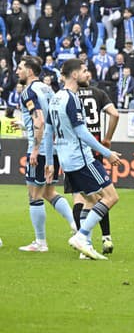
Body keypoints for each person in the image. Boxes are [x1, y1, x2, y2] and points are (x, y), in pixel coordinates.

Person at [44, 59, 122, 260]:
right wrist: (107, 153)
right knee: (111, 197)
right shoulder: (71, 98)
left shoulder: (55, 98)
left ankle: (85, 247)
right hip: (82, 158)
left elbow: (48, 132)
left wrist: (50, 163)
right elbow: (82, 133)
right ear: (75, 74)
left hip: (66, 160)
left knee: (89, 199)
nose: (88, 74)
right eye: (85, 71)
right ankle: (82, 236)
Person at [17, 55, 77, 252]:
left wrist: (35, 149)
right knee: (49, 192)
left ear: (30, 71)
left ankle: (40, 242)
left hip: (41, 149)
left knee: (34, 195)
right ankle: (75, 225)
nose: (17, 71)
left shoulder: (28, 92)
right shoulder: (47, 88)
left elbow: (39, 120)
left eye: (20, 68)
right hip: (55, 147)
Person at [67, 65, 120, 256]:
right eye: (84, 71)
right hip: (92, 151)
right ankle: (100, 237)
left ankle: (84, 243)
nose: (86, 74)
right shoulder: (98, 94)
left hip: (72, 152)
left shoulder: (68, 97)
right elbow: (114, 114)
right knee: (103, 196)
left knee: (82, 198)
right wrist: (107, 139)